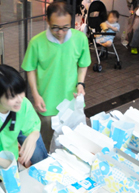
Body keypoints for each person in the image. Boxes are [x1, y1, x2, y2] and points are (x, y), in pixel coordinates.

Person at [22, 1, 91, 150]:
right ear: (47, 21)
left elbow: (83, 64)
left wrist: (80, 83)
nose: (60, 32)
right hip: (47, 103)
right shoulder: (36, 42)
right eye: (55, 28)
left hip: (72, 102)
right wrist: (35, 94)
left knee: (72, 144)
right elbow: (30, 69)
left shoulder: (80, 39)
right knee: (46, 144)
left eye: (65, 28)